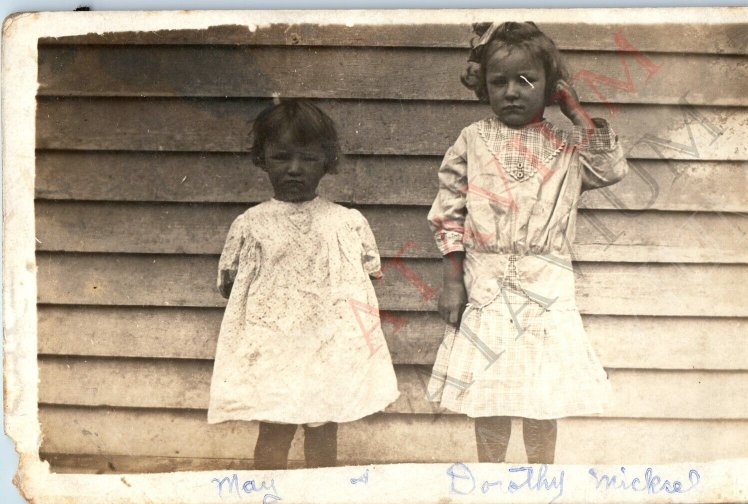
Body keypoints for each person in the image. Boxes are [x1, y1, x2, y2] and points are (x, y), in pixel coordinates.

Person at [427, 22, 629, 464]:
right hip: (487, 280)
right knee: (490, 389)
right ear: (483, 85)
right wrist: (452, 282)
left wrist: (573, 109)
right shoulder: (472, 140)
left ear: (549, 86)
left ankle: (541, 482)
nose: (513, 92)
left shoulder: (565, 147)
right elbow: (450, 211)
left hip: (546, 286)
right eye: (499, 82)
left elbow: (611, 169)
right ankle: (490, 482)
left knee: (543, 392)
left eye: (527, 81)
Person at [207, 99, 400, 469]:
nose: (294, 169)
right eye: (281, 157)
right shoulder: (251, 224)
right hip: (274, 346)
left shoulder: (346, 223)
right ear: (262, 159)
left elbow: (369, 273)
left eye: (308, 159)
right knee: (275, 428)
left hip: (326, 347)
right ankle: (265, 499)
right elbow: (231, 285)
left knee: (323, 429)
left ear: (327, 162)